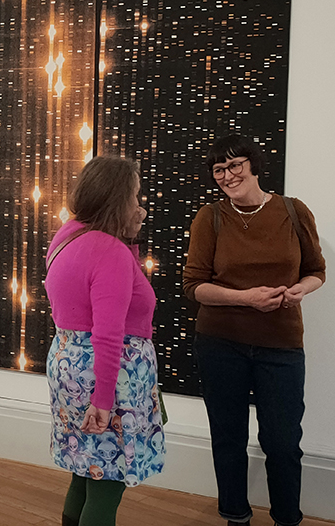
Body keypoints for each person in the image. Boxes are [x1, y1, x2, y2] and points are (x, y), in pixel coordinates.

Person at [183, 134, 326, 526]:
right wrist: (246, 298)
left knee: (283, 442)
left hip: (280, 345)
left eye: (235, 165)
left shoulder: (293, 211)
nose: (228, 175)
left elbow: (316, 271)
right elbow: (194, 286)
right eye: (219, 170)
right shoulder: (210, 217)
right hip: (220, 343)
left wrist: (302, 289)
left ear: (253, 164)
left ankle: (287, 519)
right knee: (228, 437)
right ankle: (236, 516)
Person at [45, 155, 165, 526]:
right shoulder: (110, 252)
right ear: (118, 199)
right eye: (135, 196)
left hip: (68, 364)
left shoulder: (68, 234)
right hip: (109, 377)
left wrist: (128, 236)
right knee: (108, 480)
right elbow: (109, 333)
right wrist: (103, 399)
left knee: (85, 469)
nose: (139, 205)